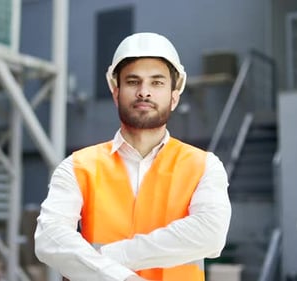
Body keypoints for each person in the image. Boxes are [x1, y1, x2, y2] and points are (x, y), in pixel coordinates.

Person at [34, 32, 232, 281]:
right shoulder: (77, 167)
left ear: (174, 96)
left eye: (157, 82)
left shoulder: (204, 166)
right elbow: (49, 238)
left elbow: (210, 234)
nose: (144, 92)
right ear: (116, 93)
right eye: (133, 82)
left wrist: (107, 257)